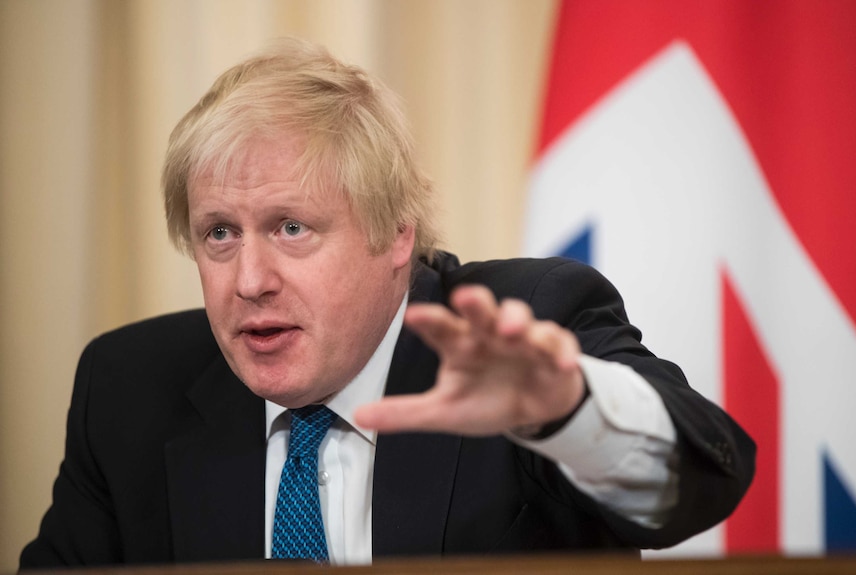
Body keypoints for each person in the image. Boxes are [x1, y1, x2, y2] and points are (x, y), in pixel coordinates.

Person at [20, 37, 754, 568]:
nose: (249, 280)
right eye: (219, 233)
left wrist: (567, 410)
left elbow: (705, 481)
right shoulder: (128, 389)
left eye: (292, 227)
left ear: (395, 233)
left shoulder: (524, 328)